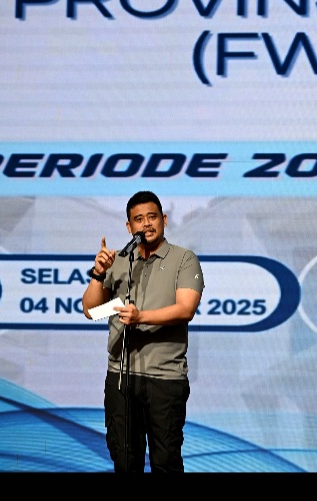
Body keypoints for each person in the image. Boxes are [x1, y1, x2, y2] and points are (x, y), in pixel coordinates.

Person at [82, 190, 204, 473]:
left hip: (166, 378)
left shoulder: (184, 259)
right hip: (121, 376)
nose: (146, 224)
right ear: (129, 227)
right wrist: (98, 273)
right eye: (138, 219)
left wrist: (141, 317)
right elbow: (91, 310)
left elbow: (186, 309)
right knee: (125, 461)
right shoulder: (119, 261)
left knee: (165, 462)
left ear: (164, 220)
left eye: (152, 217)